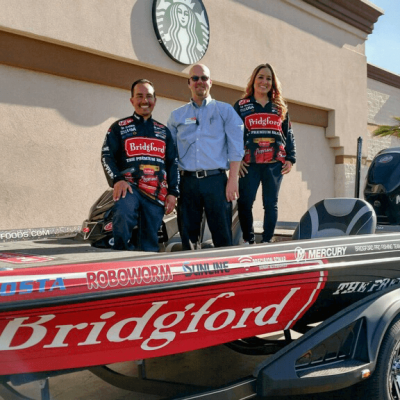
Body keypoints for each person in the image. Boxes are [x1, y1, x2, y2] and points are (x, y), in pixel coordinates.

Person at [168, 64, 244, 250]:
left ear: (210, 82)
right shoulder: (177, 116)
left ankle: (226, 276)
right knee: (188, 238)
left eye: (203, 78)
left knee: (222, 236)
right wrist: (171, 187)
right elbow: (170, 154)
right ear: (189, 83)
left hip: (216, 181)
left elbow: (236, 147)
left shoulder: (225, 111)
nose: (199, 82)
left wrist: (233, 179)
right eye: (195, 78)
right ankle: (192, 275)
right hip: (188, 183)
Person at [101, 79, 179, 251]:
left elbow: (173, 163)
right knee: (123, 214)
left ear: (155, 101)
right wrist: (117, 180)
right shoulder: (119, 127)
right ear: (132, 100)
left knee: (150, 244)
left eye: (149, 96)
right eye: (140, 96)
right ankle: (119, 258)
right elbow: (107, 156)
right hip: (130, 188)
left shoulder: (163, 131)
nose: (145, 101)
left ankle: (147, 271)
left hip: (156, 194)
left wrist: (173, 193)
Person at [234, 63, 296, 244]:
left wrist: (291, 158)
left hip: (274, 163)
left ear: (273, 83)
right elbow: (232, 135)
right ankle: (248, 240)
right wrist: (236, 160)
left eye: (269, 78)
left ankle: (267, 240)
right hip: (249, 164)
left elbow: (288, 133)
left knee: (270, 204)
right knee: (245, 203)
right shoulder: (241, 106)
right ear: (253, 80)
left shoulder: (280, 106)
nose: (264, 81)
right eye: (260, 77)